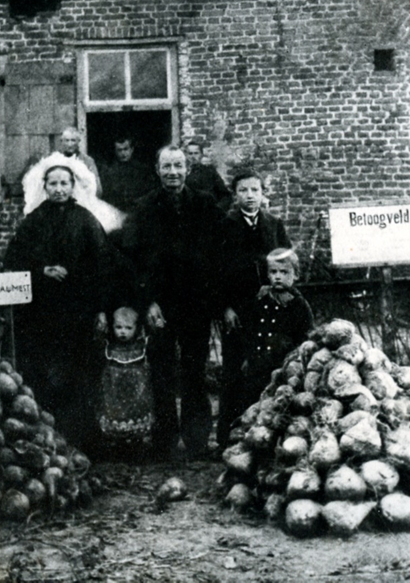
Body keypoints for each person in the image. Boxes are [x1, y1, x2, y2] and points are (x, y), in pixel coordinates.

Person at [117, 145, 227, 460]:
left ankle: (196, 441)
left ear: (188, 169)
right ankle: (163, 440)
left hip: (195, 304)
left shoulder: (205, 205)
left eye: (178, 166)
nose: (173, 173)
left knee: (194, 371)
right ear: (157, 170)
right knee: (162, 372)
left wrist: (212, 298)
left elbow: (221, 251)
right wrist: (146, 303)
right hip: (159, 307)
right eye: (167, 167)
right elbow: (131, 260)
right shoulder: (144, 207)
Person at [3, 154, 111, 452]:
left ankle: (81, 440)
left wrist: (100, 308)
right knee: (42, 373)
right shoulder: (33, 221)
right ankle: (45, 437)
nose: (59, 189)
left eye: (65, 183)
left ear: (73, 186)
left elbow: (102, 265)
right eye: (53, 183)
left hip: (77, 310)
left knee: (77, 373)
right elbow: (13, 259)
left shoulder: (86, 220)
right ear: (45, 186)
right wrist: (42, 271)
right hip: (40, 311)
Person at [217, 167, 292, 437]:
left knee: (266, 369)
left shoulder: (273, 224)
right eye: (243, 191)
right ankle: (228, 435)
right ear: (235, 195)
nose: (250, 196)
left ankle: (263, 434)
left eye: (255, 190)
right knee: (234, 371)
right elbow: (216, 270)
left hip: (269, 310)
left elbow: (287, 262)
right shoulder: (225, 224)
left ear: (263, 194)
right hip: (237, 311)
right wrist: (225, 307)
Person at [233, 248, 314, 415]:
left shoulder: (298, 305)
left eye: (284, 272)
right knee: (253, 406)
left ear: (296, 275)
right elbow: (250, 330)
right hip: (258, 363)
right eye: (273, 272)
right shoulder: (261, 299)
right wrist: (248, 356)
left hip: (281, 365)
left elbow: (305, 337)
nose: (278, 276)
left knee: (280, 407)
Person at [96, 306, 154, 457]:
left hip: (136, 393)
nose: (123, 331)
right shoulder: (110, 346)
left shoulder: (140, 346)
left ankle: (136, 448)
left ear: (136, 328)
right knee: (115, 420)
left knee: (135, 420)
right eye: (118, 327)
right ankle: (115, 449)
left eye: (128, 328)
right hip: (115, 393)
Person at [101, 135, 157, 213]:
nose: (123, 153)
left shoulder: (143, 170)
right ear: (115, 151)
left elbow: (151, 192)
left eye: (125, 149)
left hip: (139, 211)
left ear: (132, 149)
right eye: (119, 150)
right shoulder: (109, 171)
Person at [184, 141, 232, 211]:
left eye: (196, 153)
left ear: (201, 155)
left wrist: (218, 209)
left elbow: (225, 195)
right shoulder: (183, 173)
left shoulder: (210, 172)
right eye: (190, 153)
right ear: (186, 155)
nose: (193, 156)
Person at [57, 126, 102, 197]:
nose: (70, 144)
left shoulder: (87, 161)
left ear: (78, 141)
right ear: (62, 141)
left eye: (73, 140)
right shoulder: (56, 159)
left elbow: (97, 188)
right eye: (67, 140)